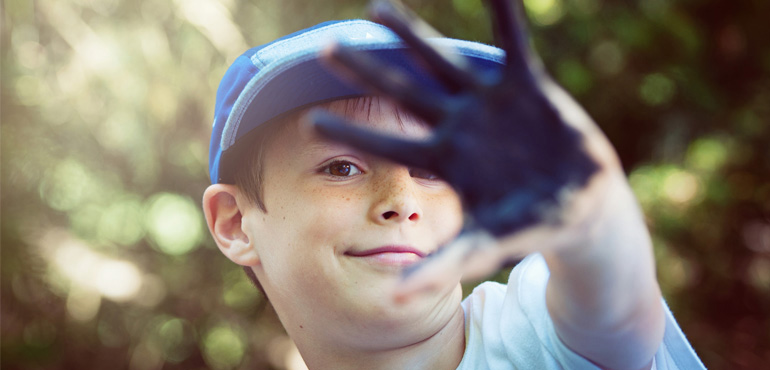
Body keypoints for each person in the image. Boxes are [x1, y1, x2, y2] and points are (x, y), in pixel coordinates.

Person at [202, 0, 706, 368]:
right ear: (235, 224)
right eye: (341, 167)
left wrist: (589, 213)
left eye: (435, 169)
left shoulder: (538, 331)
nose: (401, 202)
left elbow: (616, 315)